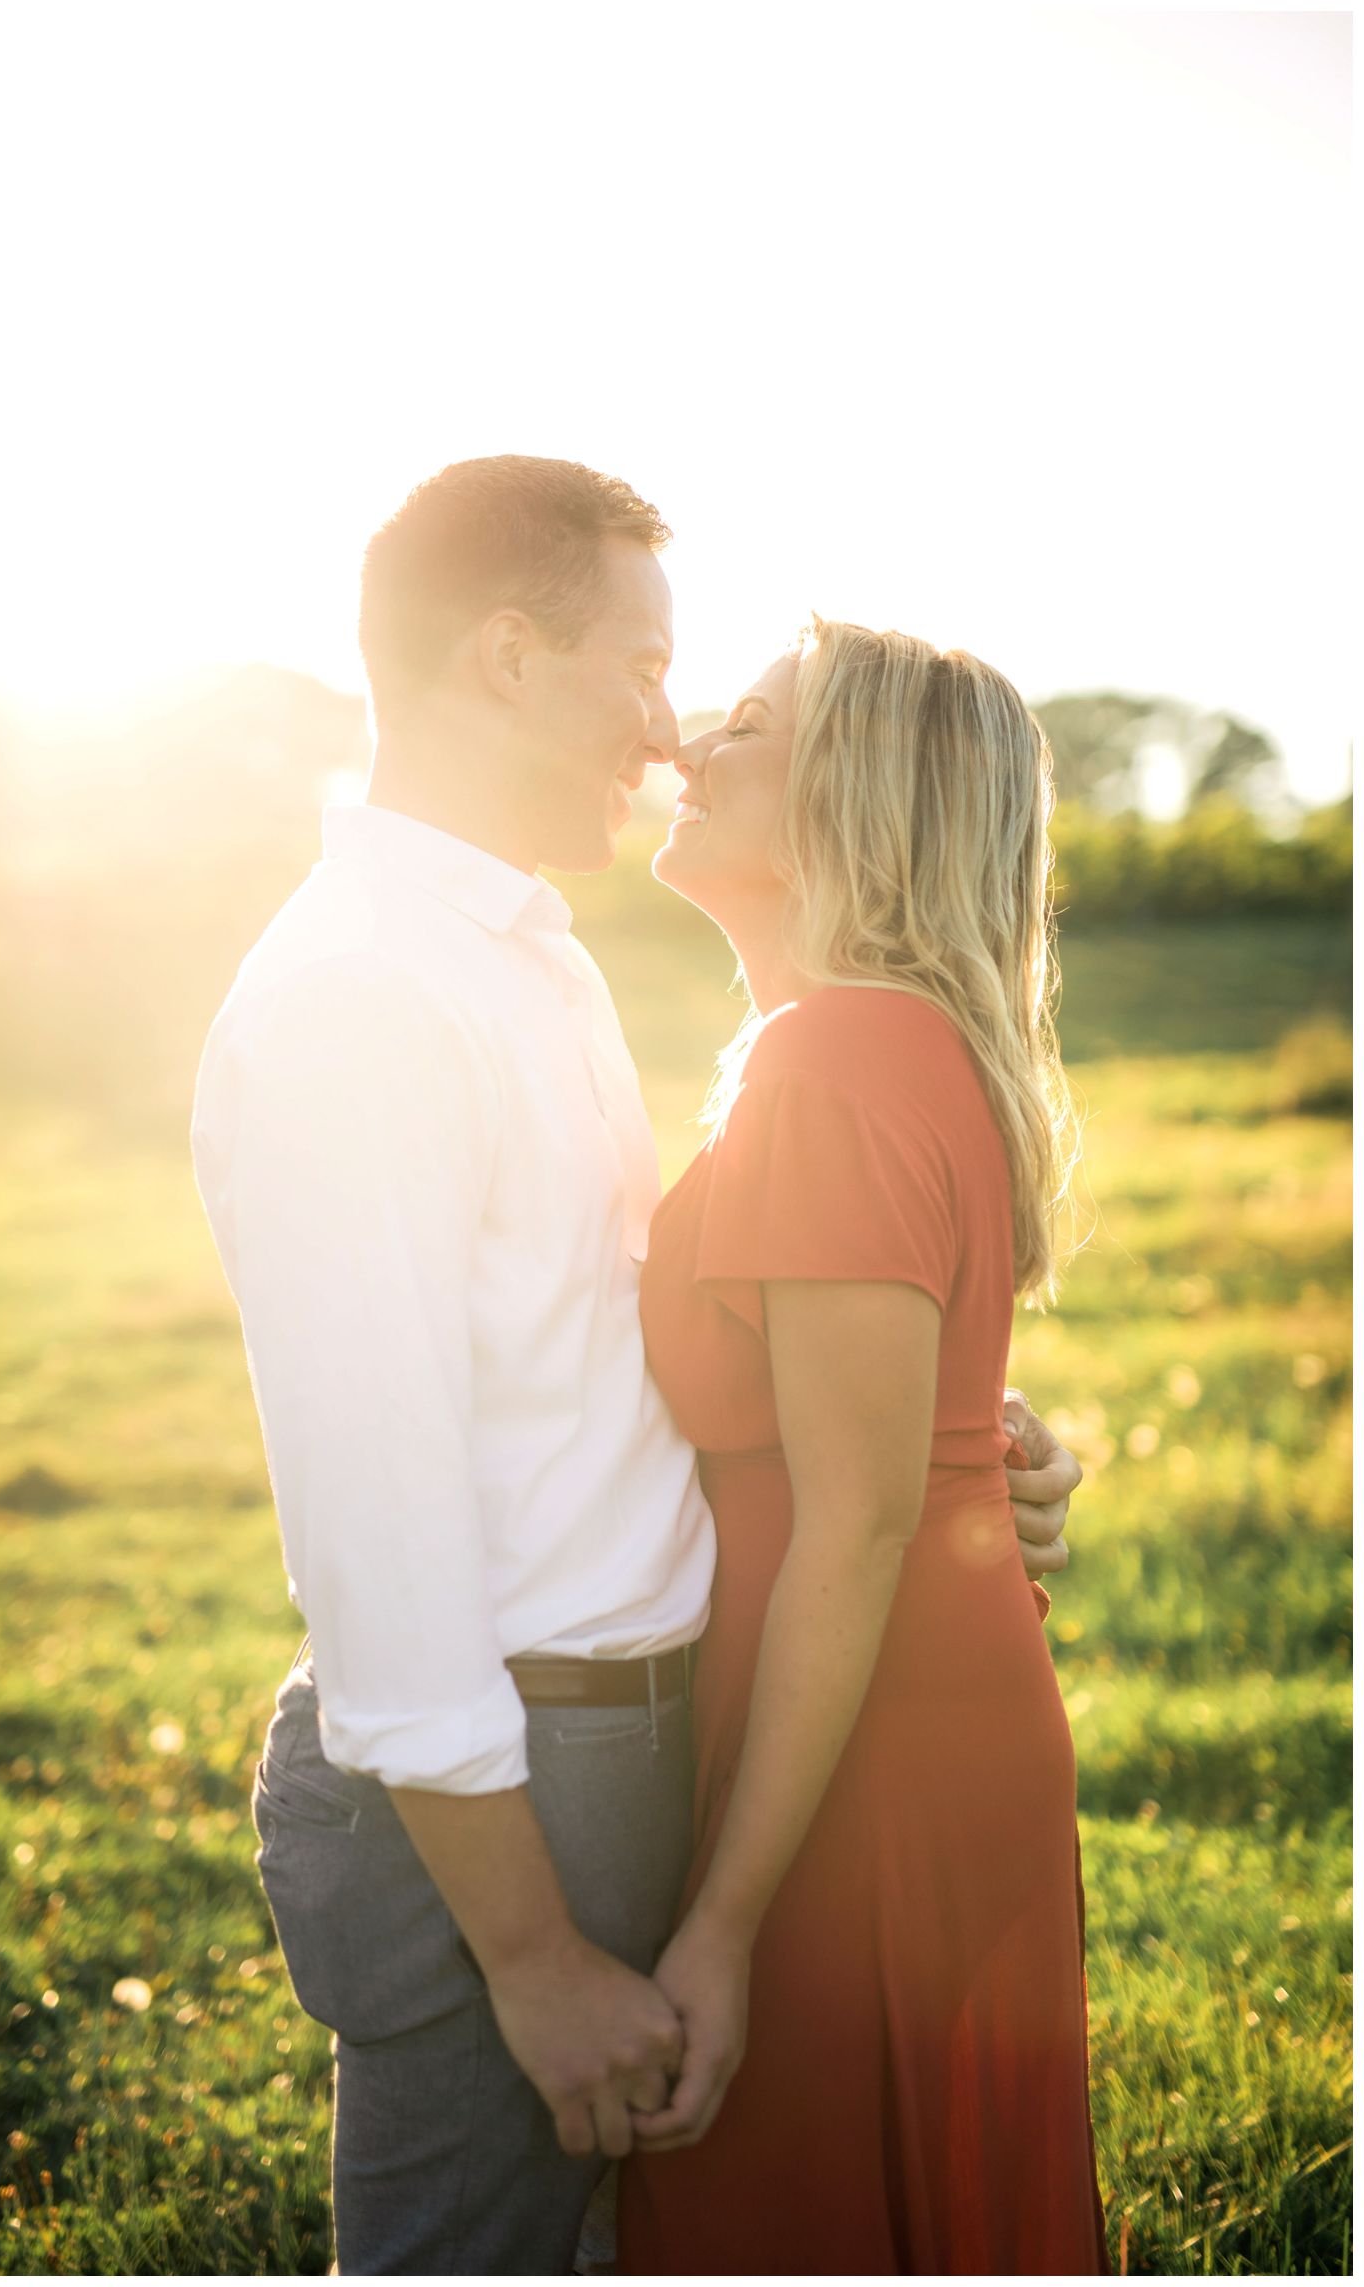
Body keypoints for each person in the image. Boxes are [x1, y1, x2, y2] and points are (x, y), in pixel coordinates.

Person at [189, 455, 1086, 2272]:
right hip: (516, 1776)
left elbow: (625, 1340)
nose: (668, 730)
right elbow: (382, 1540)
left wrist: (952, 1448)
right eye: (647, 667)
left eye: (714, 697)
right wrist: (528, 1951)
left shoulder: (540, 964)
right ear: (508, 660)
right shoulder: (359, 994)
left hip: (671, 1747)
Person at [615, 623, 1107, 2268]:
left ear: (856, 797)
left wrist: (723, 1924)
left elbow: (858, 1527)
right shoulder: (873, 1045)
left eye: (745, 724)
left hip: (863, 1738)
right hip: (900, 1699)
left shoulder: (832, 1059)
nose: (690, 741)